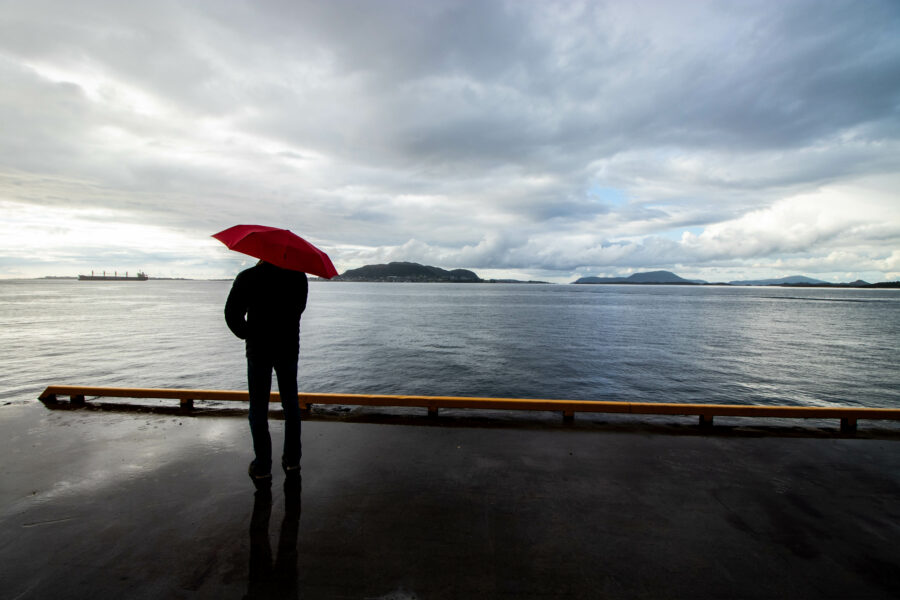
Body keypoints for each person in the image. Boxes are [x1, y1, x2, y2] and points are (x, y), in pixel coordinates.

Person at [225, 259, 308, 490]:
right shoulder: (298, 276)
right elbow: (298, 309)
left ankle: (262, 465)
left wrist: (247, 333)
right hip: (288, 348)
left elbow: (232, 314)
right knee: (291, 406)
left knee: (258, 407)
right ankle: (292, 461)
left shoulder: (248, 276)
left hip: (258, 350)